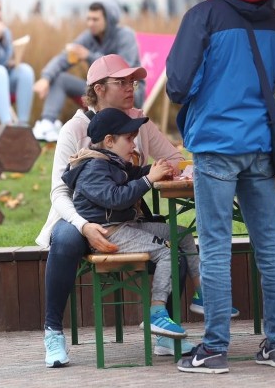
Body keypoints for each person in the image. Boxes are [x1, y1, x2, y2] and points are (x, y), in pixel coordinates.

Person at [166, 0, 275, 374]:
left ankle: (215, 349)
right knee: (269, 248)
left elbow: (178, 85)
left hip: (216, 147)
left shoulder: (203, 17)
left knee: (216, 248)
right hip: (262, 146)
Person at [36, 54, 190, 368]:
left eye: (133, 81)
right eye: (121, 81)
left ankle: (163, 330)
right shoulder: (74, 129)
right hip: (77, 217)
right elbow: (58, 192)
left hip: (127, 214)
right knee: (65, 240)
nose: (131, 87)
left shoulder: (138, 121)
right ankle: (53, 332)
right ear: (99, 88)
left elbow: (174, 158)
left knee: (179, 241)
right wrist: (83, 226)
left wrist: (161, 171)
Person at [62, 107, 194, 339]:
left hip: (124, 227)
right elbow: (116, 197)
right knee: (167, 252)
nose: (134, 144)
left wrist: (157, 171)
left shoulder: (111, 162)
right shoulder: (93, 168)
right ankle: (157, 311)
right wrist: (148, 179)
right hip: (111, 233)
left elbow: (134, 175)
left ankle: (201, 291)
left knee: (181, 234)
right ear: (110, 141)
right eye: (129, 139)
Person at [32, 1, 144, 142]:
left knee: (112, 85)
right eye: (88, 19)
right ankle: (47, 124)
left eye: (95, 19)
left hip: (128, 92)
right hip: (99, 91)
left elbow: (123, 69)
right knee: (60, 79)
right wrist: (46, 78)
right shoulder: (88, 37)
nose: (90, 23)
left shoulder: (125, 36)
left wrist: (88, 56)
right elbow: (64, 57)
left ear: (108, 20)